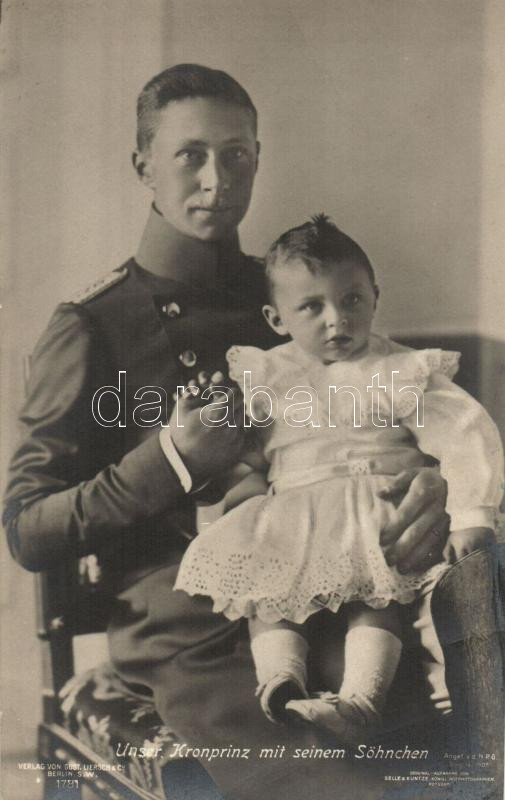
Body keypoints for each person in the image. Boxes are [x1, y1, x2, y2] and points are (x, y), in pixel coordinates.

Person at [3, 64, 452, 800]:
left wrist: (427, 481)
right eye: (191, 155)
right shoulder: (93, 324)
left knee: (441, 758)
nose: (217, 178)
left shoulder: (298, 294)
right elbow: (27, 530)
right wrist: (172, 460)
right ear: (143, 164)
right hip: (196, 626)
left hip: (338, 587)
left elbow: (391, 420)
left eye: (236, 153)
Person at [175, 214, 503, 743]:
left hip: (377, 510)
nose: (337, 320)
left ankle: (359, 703)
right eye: (312, 307)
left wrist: (472, 516)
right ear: (277, 318)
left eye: (352, 300)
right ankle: (281, 681)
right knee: (269, 601)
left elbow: (465, 433)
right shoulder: (266, 373)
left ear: (375, 296)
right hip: (295, 514)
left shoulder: (399, 369)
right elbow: (243, 456)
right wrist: (228, 480)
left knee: (375, 606)